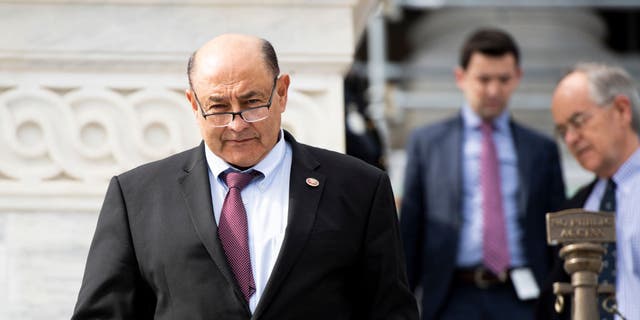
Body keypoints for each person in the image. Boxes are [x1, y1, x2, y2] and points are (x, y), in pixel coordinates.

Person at [71, 33, 419, 320]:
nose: (237, 125)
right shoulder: (137, 196)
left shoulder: (359, 188)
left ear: (281, 92)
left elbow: (390, 311)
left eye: (252, 103)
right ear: (194, 105)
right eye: (219, 107)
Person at [400, 28, 566, 320]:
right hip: (452, 297)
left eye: (503, 79)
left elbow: (556, 231)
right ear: (460, 77)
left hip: (523, 298)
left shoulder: (541, 149)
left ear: (518, 77)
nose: (493, 90)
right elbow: (411, 230)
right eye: (483, 79)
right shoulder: (427, 143)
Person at [536, 62, 640, 320]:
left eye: (578, 121)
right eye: (562, 131)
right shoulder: (574, 209)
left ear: (621, 109)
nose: (570, 139)